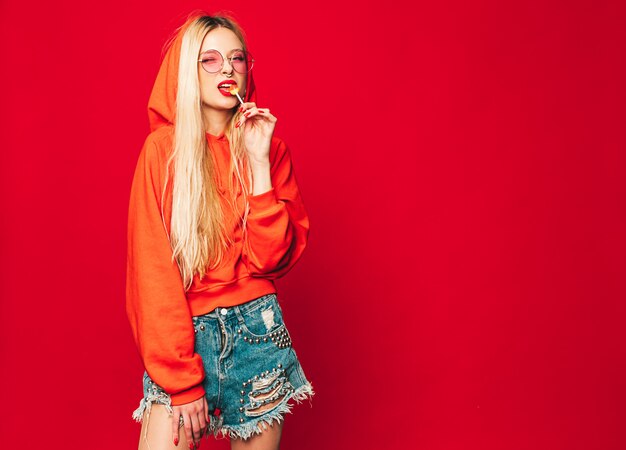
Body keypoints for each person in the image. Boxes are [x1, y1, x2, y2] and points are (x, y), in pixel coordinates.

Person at [125, 11, 314, 450]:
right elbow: (151, 273)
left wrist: (260, 163)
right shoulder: (162, 152)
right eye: (210, 60)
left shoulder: (269, 147)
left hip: (258, 333)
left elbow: (271, 260)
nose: (228, 68)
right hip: (184, 334)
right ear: (188, 73)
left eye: (237, 58)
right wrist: (181, 381)